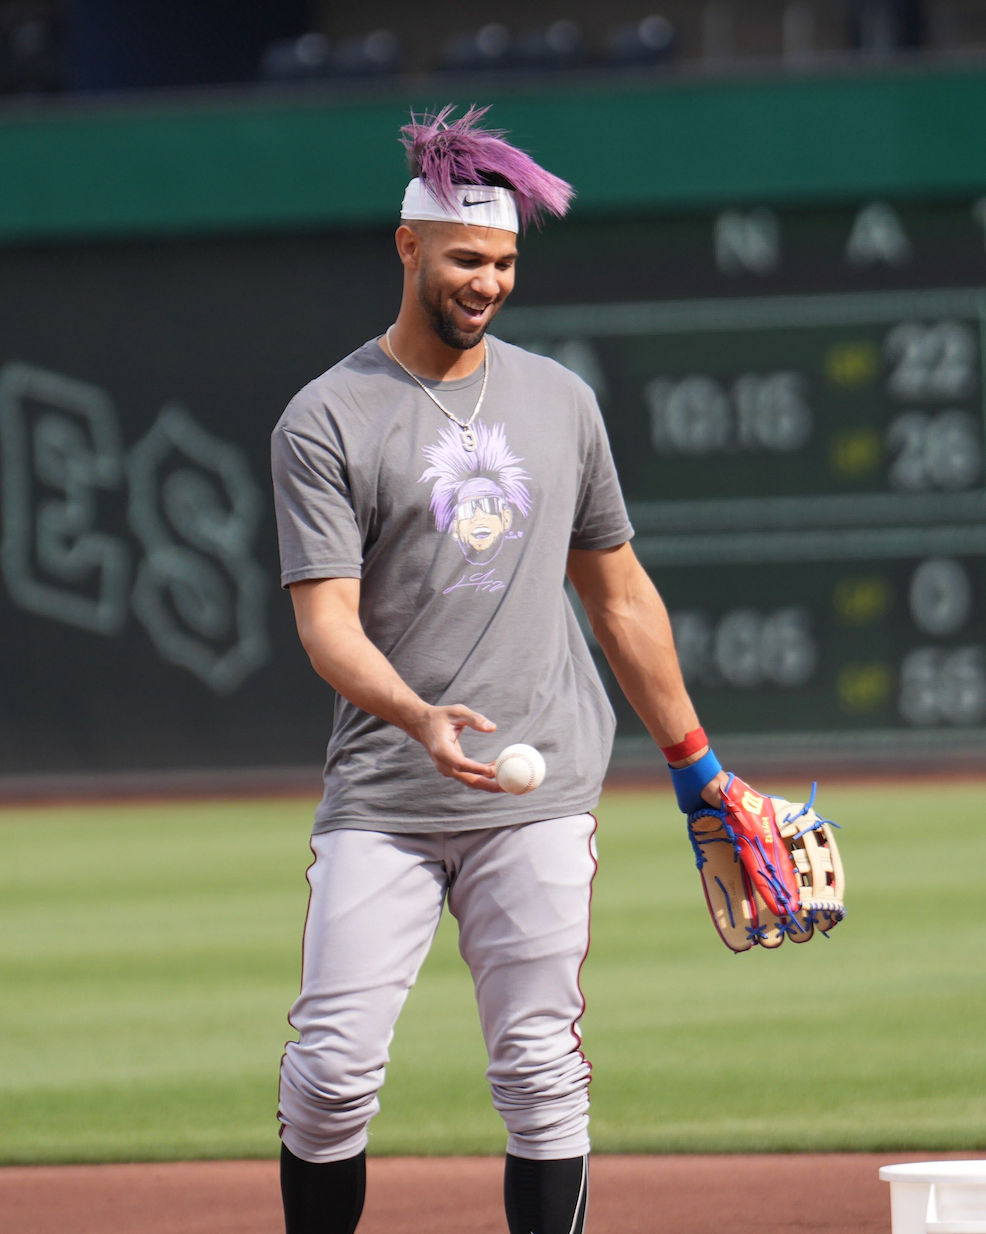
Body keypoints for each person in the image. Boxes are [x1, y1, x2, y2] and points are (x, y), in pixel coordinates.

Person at [270, 104, 726, 1234]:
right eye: (468, 257)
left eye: (507, 261)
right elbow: (328, 627)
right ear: (408, 246)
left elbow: (616, 593)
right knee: (327, 1077)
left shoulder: (559, 401)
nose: (489, 280)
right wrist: (418, 714)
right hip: (385, 790)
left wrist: (696, 764)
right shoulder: (325, 418)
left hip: (542, 786)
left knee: (538, 1071)